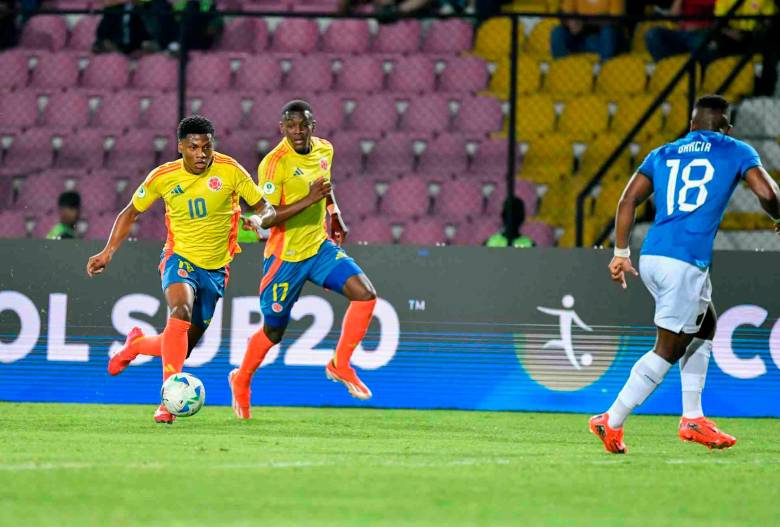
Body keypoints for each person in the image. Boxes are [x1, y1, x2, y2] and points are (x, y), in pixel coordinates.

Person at [589, 95, 780, 454]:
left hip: (652, 256)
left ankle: (693, 417)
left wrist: (619, 252)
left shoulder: (663, 152)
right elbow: (768, 192)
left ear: (691, 125)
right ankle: (610, 421)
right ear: (727, 127)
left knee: (705, 325)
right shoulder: (735, 149)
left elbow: (627, 201)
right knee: (668, 349)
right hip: (684, 263)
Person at [86, 116, 271, 424]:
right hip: (179, 257)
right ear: (180, 147)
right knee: (180, 312)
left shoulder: (231, 170)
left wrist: (260, 220)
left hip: (216, 269)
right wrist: (107, 252)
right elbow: (130, 212)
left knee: (180, 348)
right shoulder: (163, 176)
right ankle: (166, 404)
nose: (201, 154)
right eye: (194, 147)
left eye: (207, 147)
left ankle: (136, 345)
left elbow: (264, 207)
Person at [228, 100, 378, 420]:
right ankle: (241, 378)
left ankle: (340, 364)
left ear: (314, 126)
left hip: (318, 247)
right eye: (291, 126)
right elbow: (266, 218)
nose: (297, 131)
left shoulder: (325, 149)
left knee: (365, 295)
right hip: (285, 257)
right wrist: (309, 199)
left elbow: (325, 187)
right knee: (274, 331)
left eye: (303, 125)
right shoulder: (273, 164)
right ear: (282, 128)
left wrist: (333, 213)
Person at [551, 0, 625, 61]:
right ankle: (561, 66)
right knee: (558, 31)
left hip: (603, 41)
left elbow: (615, 19)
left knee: (608, 31)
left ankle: (604, 69)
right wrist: (570, 22)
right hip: (580, 39)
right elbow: (564, 13)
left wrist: (583, 22)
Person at [644, 0, 715, 62]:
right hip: (682, 34)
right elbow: (673, 16)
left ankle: (698, 71)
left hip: (701, 34)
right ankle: (665, 66)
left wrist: (699, 26)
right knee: (652, 34)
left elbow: (717, 18)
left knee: (698, 43)